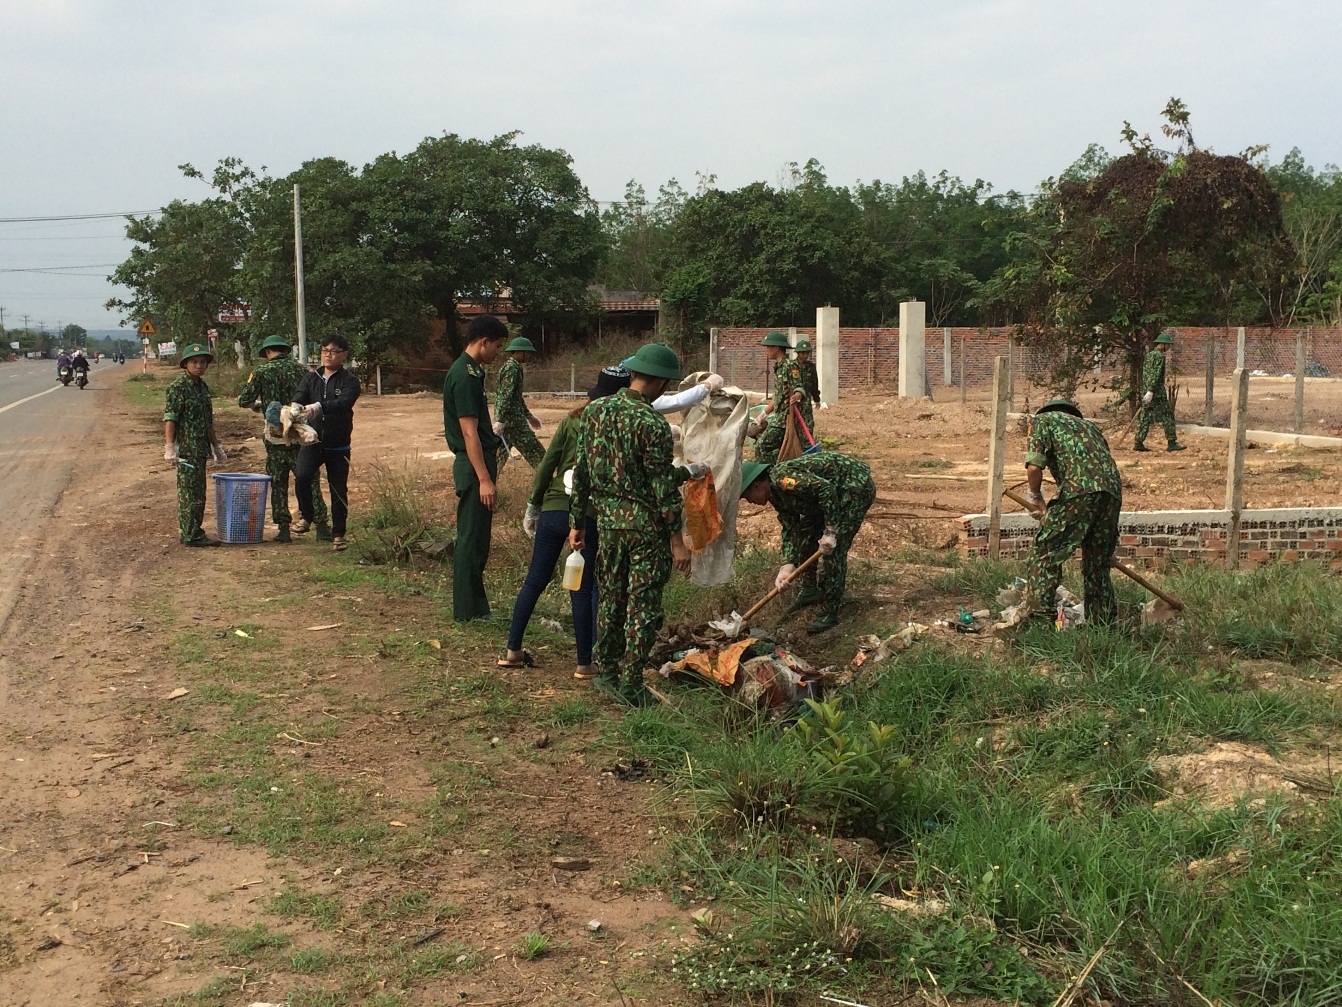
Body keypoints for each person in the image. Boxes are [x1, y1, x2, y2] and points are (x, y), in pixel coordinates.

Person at [570, 343, 706, 704]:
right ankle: (632, 685)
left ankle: (608, 673)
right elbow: (663, 491)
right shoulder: (652, 425)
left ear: (632, 373)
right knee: (642, 605)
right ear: (660, 383)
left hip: (609, 525)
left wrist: (578, 521)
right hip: (645, 531)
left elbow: (581, 470)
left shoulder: (595, 411)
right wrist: (678, 541)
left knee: (612, 599)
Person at [501, 366, 632, 676]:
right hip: (587, 517)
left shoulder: (572, 421)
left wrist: (533, 506)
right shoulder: (619, 427)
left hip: (553, 508)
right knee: (584, 589)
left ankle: (512, 650)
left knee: (535, 579)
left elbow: (547, 465)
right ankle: (585, 663)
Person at [739, 451, 876, 634]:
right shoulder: (775, 494)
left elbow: (826, 489)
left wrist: (830, 531)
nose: (750, 502)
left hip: (852, 487)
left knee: (833, 551)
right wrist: (788, 564)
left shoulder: (784, 480)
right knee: (805, 535)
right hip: (827, 496)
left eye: (747, 497)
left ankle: (830, 610)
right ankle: (809, 589)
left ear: (756, 486)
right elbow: (791, 527)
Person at [1016, 399, 1123, 626]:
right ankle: (1102, 625)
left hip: (1079, 491)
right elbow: (1099, 473)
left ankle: (1038, 624)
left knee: (1044, 553)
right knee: (1098, 564)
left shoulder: (1043, 420)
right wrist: (1104, 545)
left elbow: (1034, 466)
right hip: (1112, 493)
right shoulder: (1091, 428)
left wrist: (1035, 496)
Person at [443, 314, 510, 621]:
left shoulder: (470, 371)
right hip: (474, 466)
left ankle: (475, 608)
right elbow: (469, 433)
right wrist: (484, 479)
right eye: (496, 346)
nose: (498, 353)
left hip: (477, 463)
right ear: (483, 342)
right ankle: (468, 612)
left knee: (478, 538)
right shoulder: (465, 376)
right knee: (472, 538)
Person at [237, 334, 330, 543]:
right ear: (286, 350)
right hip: (300, 434)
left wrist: (260, 404)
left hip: (276, 437)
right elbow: (315, 401)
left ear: (268, 352)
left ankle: (283, 530)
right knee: (309, 479)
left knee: (278, 481)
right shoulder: (303, 370)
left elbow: (244, 400)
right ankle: (322, 526)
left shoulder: (261, 372)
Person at [294, 334, 361, 552]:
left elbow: (344, 403)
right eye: (324, 351)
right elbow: (300, 396)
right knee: (302, 476)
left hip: (338, 442)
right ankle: (307, 516)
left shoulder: (349, 381)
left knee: (338, 489)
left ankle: (339, 534)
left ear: (344, 355)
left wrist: (319, 407)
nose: (328, 355)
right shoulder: (311, 378)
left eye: (333, 351)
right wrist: (295, 408)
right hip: (312, 440)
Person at [163, 342, 228, 547]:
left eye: (202, 362)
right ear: (185, 365)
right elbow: (170, 419)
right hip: (186, 450)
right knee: (189, 493)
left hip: (200, 449)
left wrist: (216, 446)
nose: (199, 366)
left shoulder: (202, 387)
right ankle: (190, 534)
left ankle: (194, 531)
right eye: (194, 362)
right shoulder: (177, 388)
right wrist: (169, 446)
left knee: (199, 492)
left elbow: (207, 420)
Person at [748, 331, 810, 462]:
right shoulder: (779, 367)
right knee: (773, 446)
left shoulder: (789, 365)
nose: (766, 351)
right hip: (779, 416)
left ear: (776, 348)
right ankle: (782, 464)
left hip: (786, 418)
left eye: (768, 347)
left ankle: (770, 472)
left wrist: (798, 395)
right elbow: (778, 395)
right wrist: (761, 416)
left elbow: (799, 385)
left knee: (761, 446)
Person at [493, 336, 545, 468]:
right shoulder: (512, 368)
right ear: (517, 352)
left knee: (497, 458)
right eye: (527, 352)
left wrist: (529, 415)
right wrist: (500, 420)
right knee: (537, 454)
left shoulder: (515, 367)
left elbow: (516, 396)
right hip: (513, 421)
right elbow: (506, 395)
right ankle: (548, 483)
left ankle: (485, 483)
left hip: (509, 420)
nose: (529, 355)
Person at [1134, 332, 1185, 452]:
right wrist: (1151, 390)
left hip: (1147, 391)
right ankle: (1172, 442)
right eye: (1168, 345)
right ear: (1162, 344)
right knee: (1167, 415)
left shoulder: (1150, 355)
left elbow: (1146, 373)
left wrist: (1147, 390)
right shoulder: (1159, 356)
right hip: (1157, 392)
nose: (1169, 347)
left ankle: (1138, 442)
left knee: (1144, 417)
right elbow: (1155, 374)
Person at [794, 339, 822, 409]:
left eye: (807, 353)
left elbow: (814, 384)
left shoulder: (811, 366)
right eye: (803, 353)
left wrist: (817, 399)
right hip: (794, 402)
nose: (805, 355)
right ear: (798, 353)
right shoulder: (791, 366)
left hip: (807, 404)